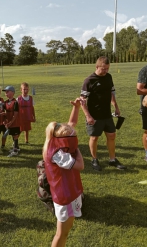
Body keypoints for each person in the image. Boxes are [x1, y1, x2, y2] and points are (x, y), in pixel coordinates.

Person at [43, 97, 84, 247]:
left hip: (70, 192)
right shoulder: (58, 154)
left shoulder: (56, 141)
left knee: (67, 229)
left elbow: (71, 124)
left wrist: (77, 108)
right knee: (62, 233)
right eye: (71, 135)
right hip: (64, 196)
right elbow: (80, 165)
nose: (74, 136)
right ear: (62, 139)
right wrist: (77, 149)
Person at [80, 56, 126, 171]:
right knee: (94, 137)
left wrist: (116, 107)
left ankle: (112, 159)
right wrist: (88, 116)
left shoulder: (108, 77)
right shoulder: (89, 81)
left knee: (112, 135)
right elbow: (82, 101)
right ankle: (94, 159)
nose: (106, 71)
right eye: (103, 69)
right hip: (94, 115)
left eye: (107, 68)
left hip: (107, 114)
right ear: (97, 66)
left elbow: (111, 93)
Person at [2, 86, 20, 157]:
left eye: (7, 92)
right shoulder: (5, 102)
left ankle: (15, 151)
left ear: (12, 93)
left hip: (14, 122)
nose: (6, 93)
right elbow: (3, 112)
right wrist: (4, 120)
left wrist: (10, 123)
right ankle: (16, 147)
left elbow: (15, 115)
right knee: (13, 135)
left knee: (15, 135)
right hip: (9, 122)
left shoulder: (15, 102)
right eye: (5, 92)